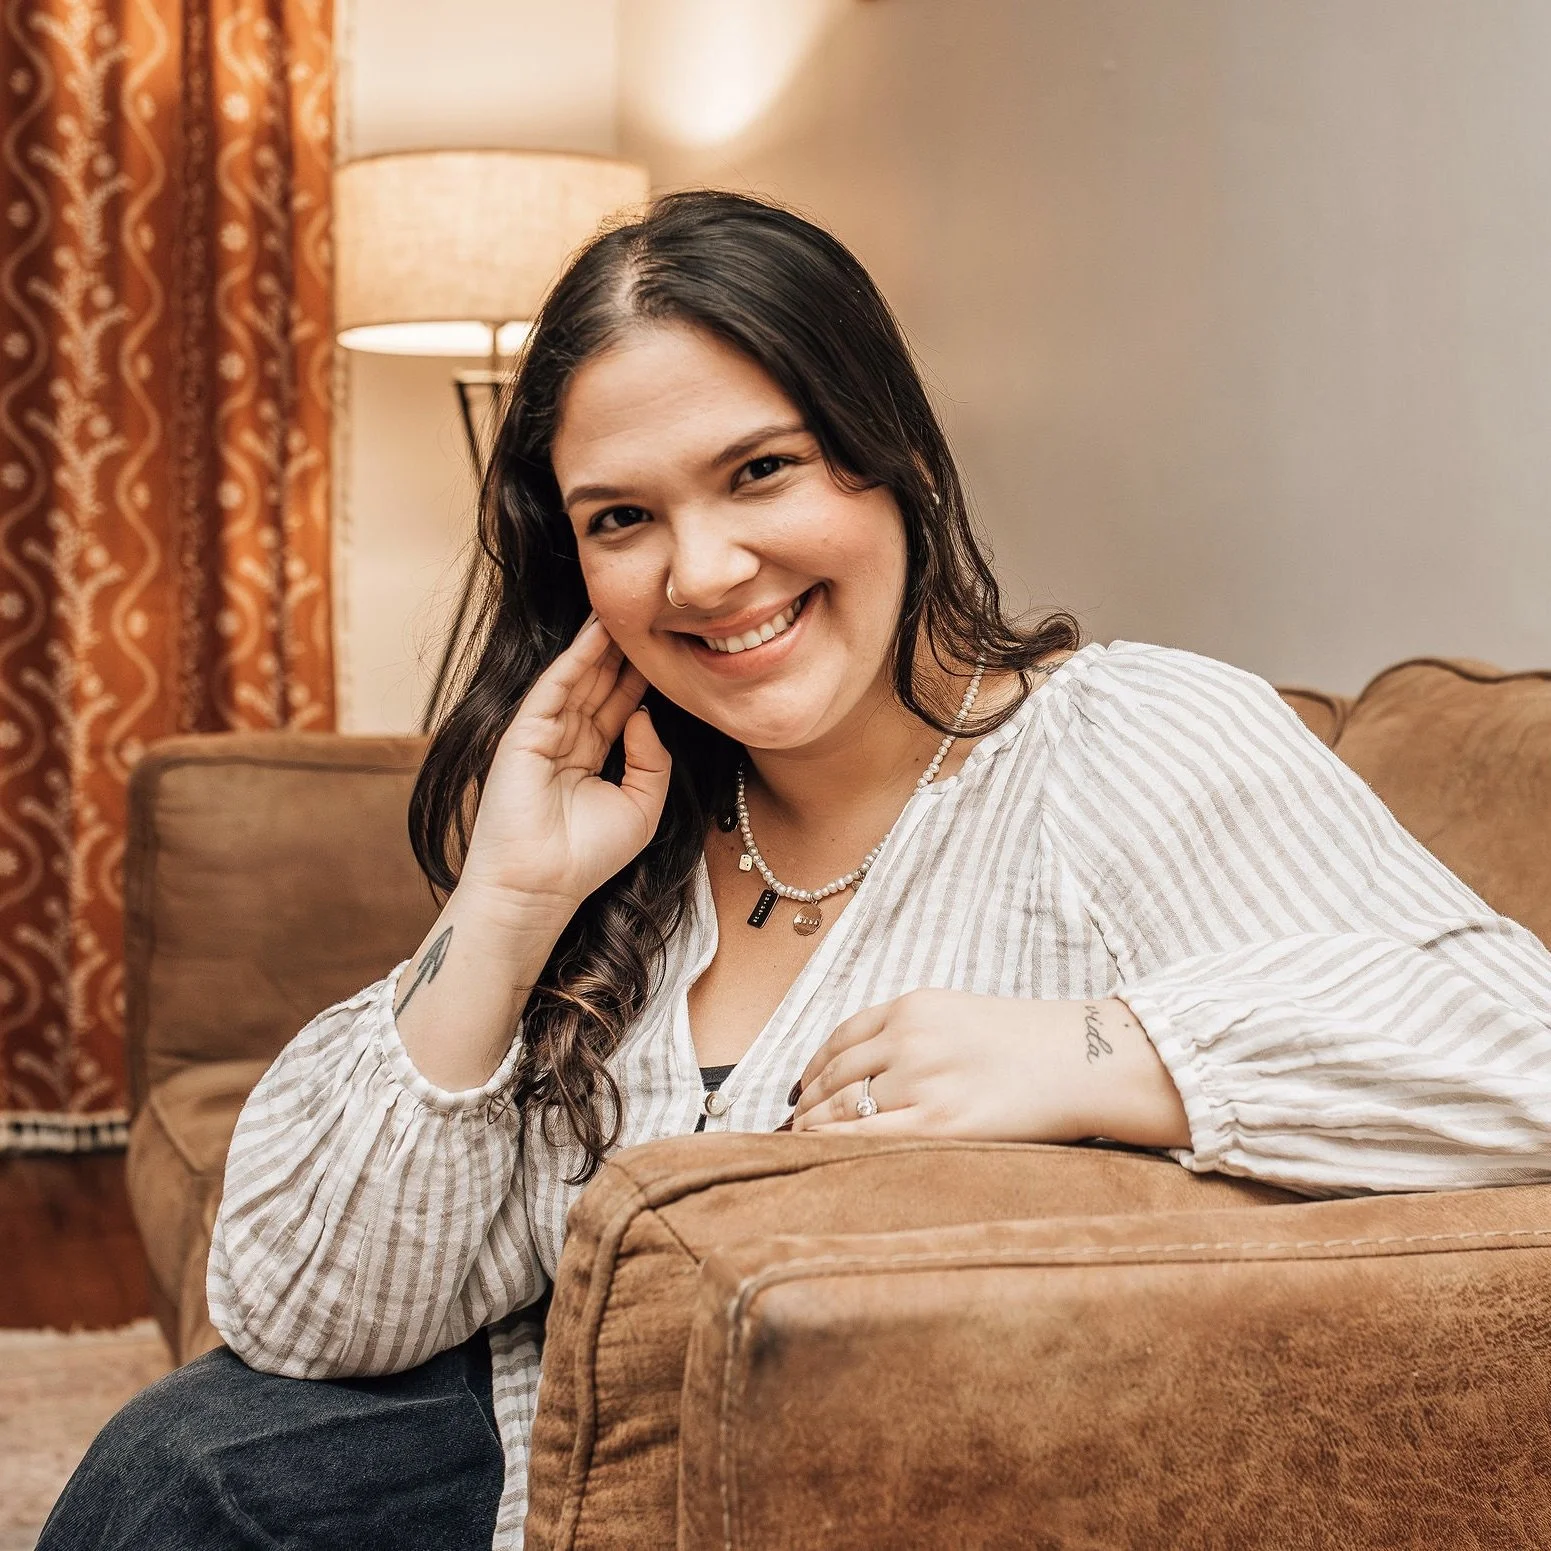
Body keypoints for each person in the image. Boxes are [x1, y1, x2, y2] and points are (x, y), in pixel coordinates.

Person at [41, 190, 1551, 1550]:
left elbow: (1519, 1050)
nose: (699, 573)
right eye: (621, 519)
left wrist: (1097, 1049)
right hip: (538, 1454)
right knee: (191, 1465)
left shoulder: (1121, 740)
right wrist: (504, 905)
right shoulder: (630, 832)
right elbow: (305, 1307)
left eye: (759, 471)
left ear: (888, 456)